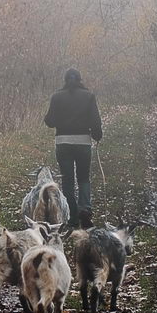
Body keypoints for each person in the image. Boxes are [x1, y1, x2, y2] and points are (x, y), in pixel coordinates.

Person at [43, 68, 102, 228]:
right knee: (84, 178)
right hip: (83, 142)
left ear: (65, 80)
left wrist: (49, 118)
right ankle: (85, 209)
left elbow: (50, 121)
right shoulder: (89, 96)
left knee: (67, 180)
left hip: (63, 143)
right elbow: (95, 121)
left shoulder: (56, 97)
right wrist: (97, 135)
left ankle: (73, 215)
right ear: (80, 79)